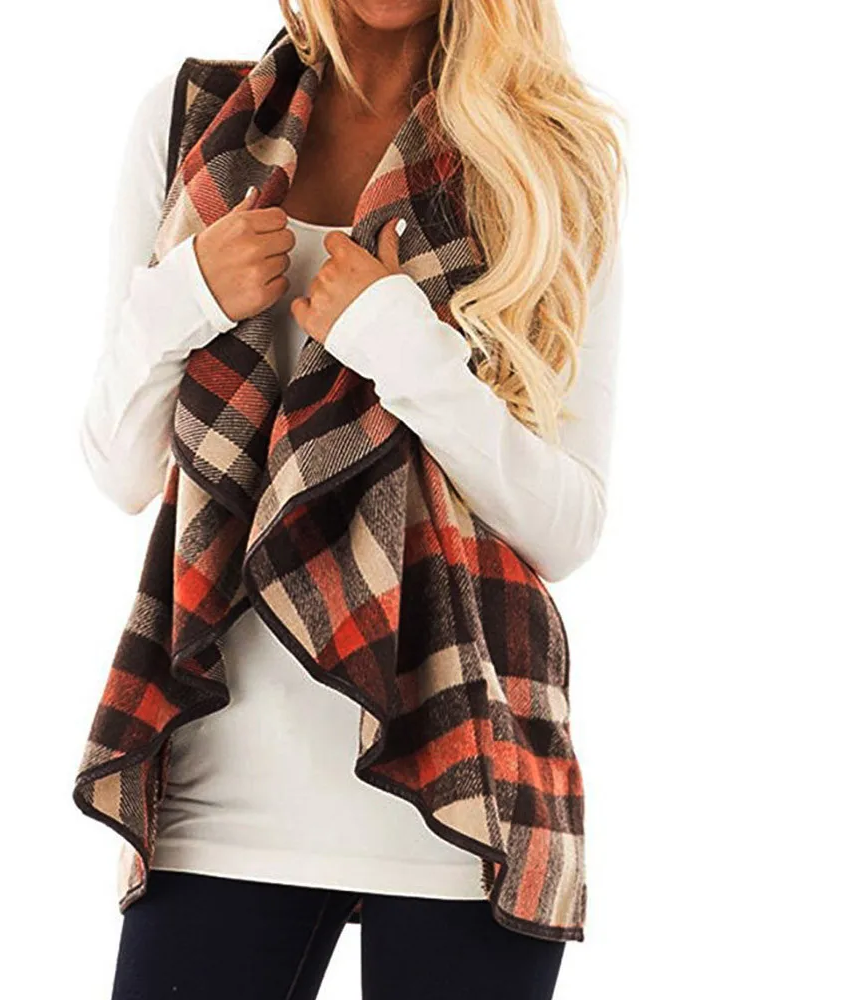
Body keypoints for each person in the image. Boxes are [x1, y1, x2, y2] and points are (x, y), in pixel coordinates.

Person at [78, 2, 624, 998]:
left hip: (462, 790)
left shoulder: (547, 155)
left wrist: (399, 342)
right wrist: (186, 291)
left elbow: (566, 525)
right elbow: (121, 470)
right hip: (222, 785)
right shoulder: (193, 118)